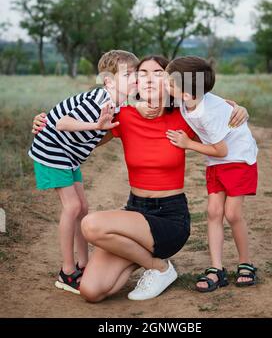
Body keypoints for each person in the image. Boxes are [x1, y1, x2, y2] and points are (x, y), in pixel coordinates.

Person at [32, 55, 248, 302]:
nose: (148, 78)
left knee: (91, 224)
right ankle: (154, 263)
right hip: (135, 212)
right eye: (142, 73)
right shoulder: (122, 115)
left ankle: (159, 268)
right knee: (91, 291)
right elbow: (83, 131)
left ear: (169, 81)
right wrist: (44, 123)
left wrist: (240, 109)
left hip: (170, 218)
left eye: (157, 73)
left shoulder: (184, 115)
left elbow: (216, 110)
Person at [28, 50, 138, 294]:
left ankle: (83, 263)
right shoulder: (101, 100)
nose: (135, 79)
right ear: (109, 80)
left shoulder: (120, 102)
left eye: (136, 74)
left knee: (83, 208)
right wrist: (96, 125)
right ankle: (67, 272)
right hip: (52, 150)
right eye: (129, 74)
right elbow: (61, 123)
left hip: (69, 155)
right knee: (73, 208)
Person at [165, 56, 258, 292]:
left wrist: (187, 144)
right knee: (213, 211)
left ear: (186, 94)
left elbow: (222, 149)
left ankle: (245, 263)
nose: (166, 85)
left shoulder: (208, 111)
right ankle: (217, 268)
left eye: (169, 82)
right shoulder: (187, 99)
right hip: (217, 162)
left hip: (238, 159)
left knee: (232, 213)